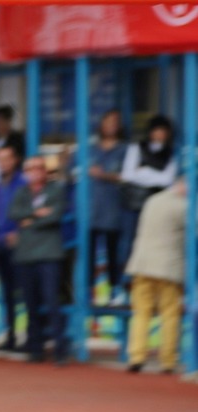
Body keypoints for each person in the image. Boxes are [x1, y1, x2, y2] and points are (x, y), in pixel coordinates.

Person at [7, 156, 68, 365]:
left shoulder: (56, 190)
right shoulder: (21, 192)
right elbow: (13, 213)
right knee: (30, 304)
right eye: (30, 168)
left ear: (45, 171)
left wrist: (28, 221)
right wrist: (36, 213)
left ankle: (60, 349)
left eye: (39, 168)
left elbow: (55, 216)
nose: (35, 171)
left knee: (52, 301)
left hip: (49, 254)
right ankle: (35, 348)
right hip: (25, 255)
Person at [124, 178, 187, 374]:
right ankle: (168, 361)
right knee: (169, 314)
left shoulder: (152, 200)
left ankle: (136, 357)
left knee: (141, 313)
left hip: (141, 264)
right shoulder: (186, 206)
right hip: (168, 268)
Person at [118, 115, 177, 303]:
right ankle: (124, 288)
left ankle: (153, 292)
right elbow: (127, 175)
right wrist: (153, 175)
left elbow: (168, 181)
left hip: (156, 209)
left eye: (163, 130)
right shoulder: (136, 148)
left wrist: (142, 172)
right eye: (157, 130)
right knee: (128, 245)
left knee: (155, 248)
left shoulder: (171, 153)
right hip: (133, 205)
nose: (160, 134)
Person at [88, 110, 126, 302]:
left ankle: (114, 291)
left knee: (113, 253)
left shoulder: (125, 150)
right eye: (107, 120)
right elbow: (72, 172)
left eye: (115, 121)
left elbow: (128, 176)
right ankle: (88, 293)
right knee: (87, 255)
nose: (111, 125)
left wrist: (104, 176)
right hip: (90, 212)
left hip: (114, 212)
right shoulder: (90, 149)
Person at [0, 145, 25, 351]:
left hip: (19, 245)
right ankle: (11, 335)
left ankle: (28, 335)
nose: (3, 163)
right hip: (0, 245)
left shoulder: (22, 183)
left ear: (15, 160)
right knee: (7, 293)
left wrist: (19, 233)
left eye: (6, 159)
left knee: (23, 292)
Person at [0, 105, 26, 187]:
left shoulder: (16, 139)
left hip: (7, 183)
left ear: (8, 122)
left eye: (0, 122)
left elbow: (17, 154)